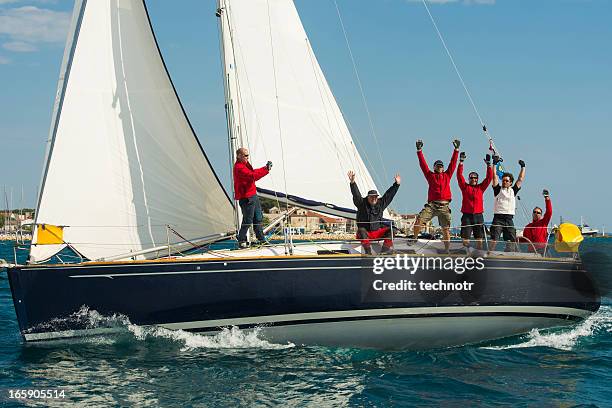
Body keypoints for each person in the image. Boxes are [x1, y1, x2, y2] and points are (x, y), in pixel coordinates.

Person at [413, 139, 460, 252]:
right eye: (437, 166)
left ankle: (447, 249)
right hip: (432, 206)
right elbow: (423, 164)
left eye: (441, 166)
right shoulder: (430, 176)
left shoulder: (447, 175)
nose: (439, 167)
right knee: (419, 220)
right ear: (434, 167)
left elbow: (453, 163)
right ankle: (414, 239)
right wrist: (419, 150)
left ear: (443, 168)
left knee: (446, 229)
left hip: (444, 206)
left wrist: (456, 150)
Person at [348, 170, 400, 255]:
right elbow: (356, 195)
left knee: (392, 230)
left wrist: (396, 185)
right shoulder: (362, 203)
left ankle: (384, 251)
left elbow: (389, 195)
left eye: (375, 197)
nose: (374, 199)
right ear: (368, 197)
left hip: (377, 232)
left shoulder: (380, 203)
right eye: (371, 197)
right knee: (361, 230)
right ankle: (368, 252)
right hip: (366, 233)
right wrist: (352, 182)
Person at [233, 147, 272, 248]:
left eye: (247, 155)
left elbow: (253, 172)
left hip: (252, 195)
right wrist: (266, 170)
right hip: (246, 197)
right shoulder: (239, 167)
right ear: (238, 156)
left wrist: (265, 168)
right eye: (245, 155)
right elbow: (252, 176)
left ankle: (261, 239)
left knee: (258, 218)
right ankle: (241, 239)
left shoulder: (245, 165)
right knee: (248, 219)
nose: (247, 157)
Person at [457, 152, 493, 249]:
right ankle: (466, 254)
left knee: (479, 239)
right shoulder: (465, 187)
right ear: (469, 179)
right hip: (467, 216)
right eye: (471, 177)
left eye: (475, 178)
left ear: (477, 179)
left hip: (478, 216)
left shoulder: (481, 188)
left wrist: (489, 165)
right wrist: (461, 162)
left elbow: (489, 178)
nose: (473, 179)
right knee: (465, 238)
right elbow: (459, 176)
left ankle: (479, 256)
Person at [489, 158, 526, 252]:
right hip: (498, 218)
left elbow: (520, 179)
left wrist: (523, 167)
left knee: (512, 238)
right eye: (504, 180)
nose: (504, 182)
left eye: (506, 181)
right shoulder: (498, 190)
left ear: (510, 182)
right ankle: (489, 253)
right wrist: (494, 164)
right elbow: (494, 177)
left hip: (509, 218)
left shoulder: (513, 190)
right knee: (494, 238)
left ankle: (511, 254)